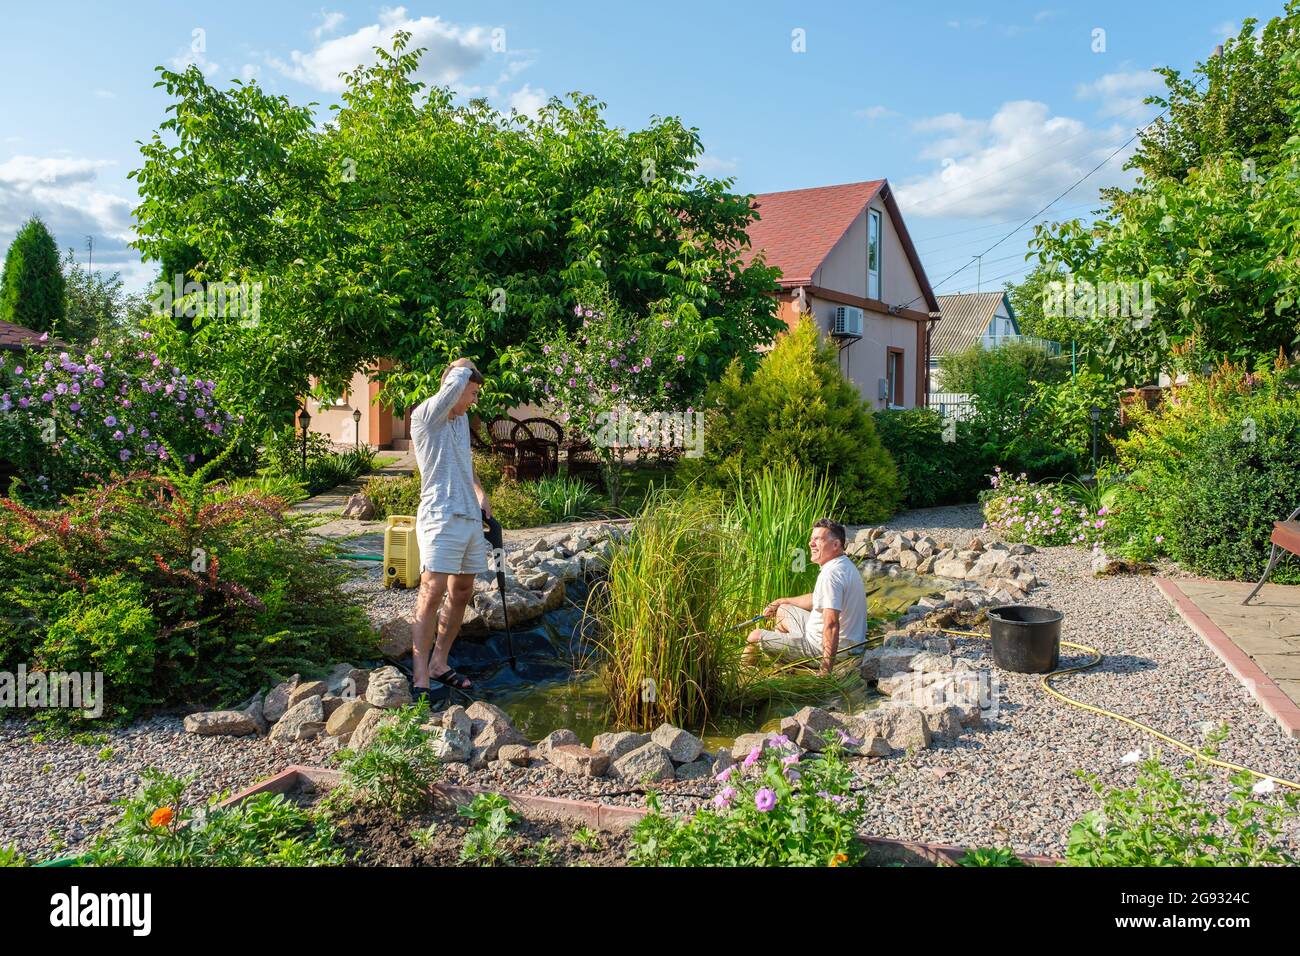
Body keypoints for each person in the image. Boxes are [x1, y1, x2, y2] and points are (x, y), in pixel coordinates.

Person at [408, 358, 491, 698]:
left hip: (469, 517)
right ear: (453, 388)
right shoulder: (426, 416)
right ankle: (420, 676)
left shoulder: (461, 420)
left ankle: (440, 662)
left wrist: (481, 495)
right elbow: (457, 377)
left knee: (461, 592)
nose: (473, 400)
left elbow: (464, 465)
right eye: (471, 393)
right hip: (440, 516)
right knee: (432, 590)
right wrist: (465, 365)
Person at [745, 519, 867, 676]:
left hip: (828, 648)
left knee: (754, 637)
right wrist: (783, 600)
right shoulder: (843, 565)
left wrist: (826, 669)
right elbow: (818, 598)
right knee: (784, 610)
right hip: (846, 642)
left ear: (836, 545)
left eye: (818, 539)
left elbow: (831, 624)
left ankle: (744, 677)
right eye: (812, 539)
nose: (811, 544)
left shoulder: (830, 575)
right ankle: (785, 662)